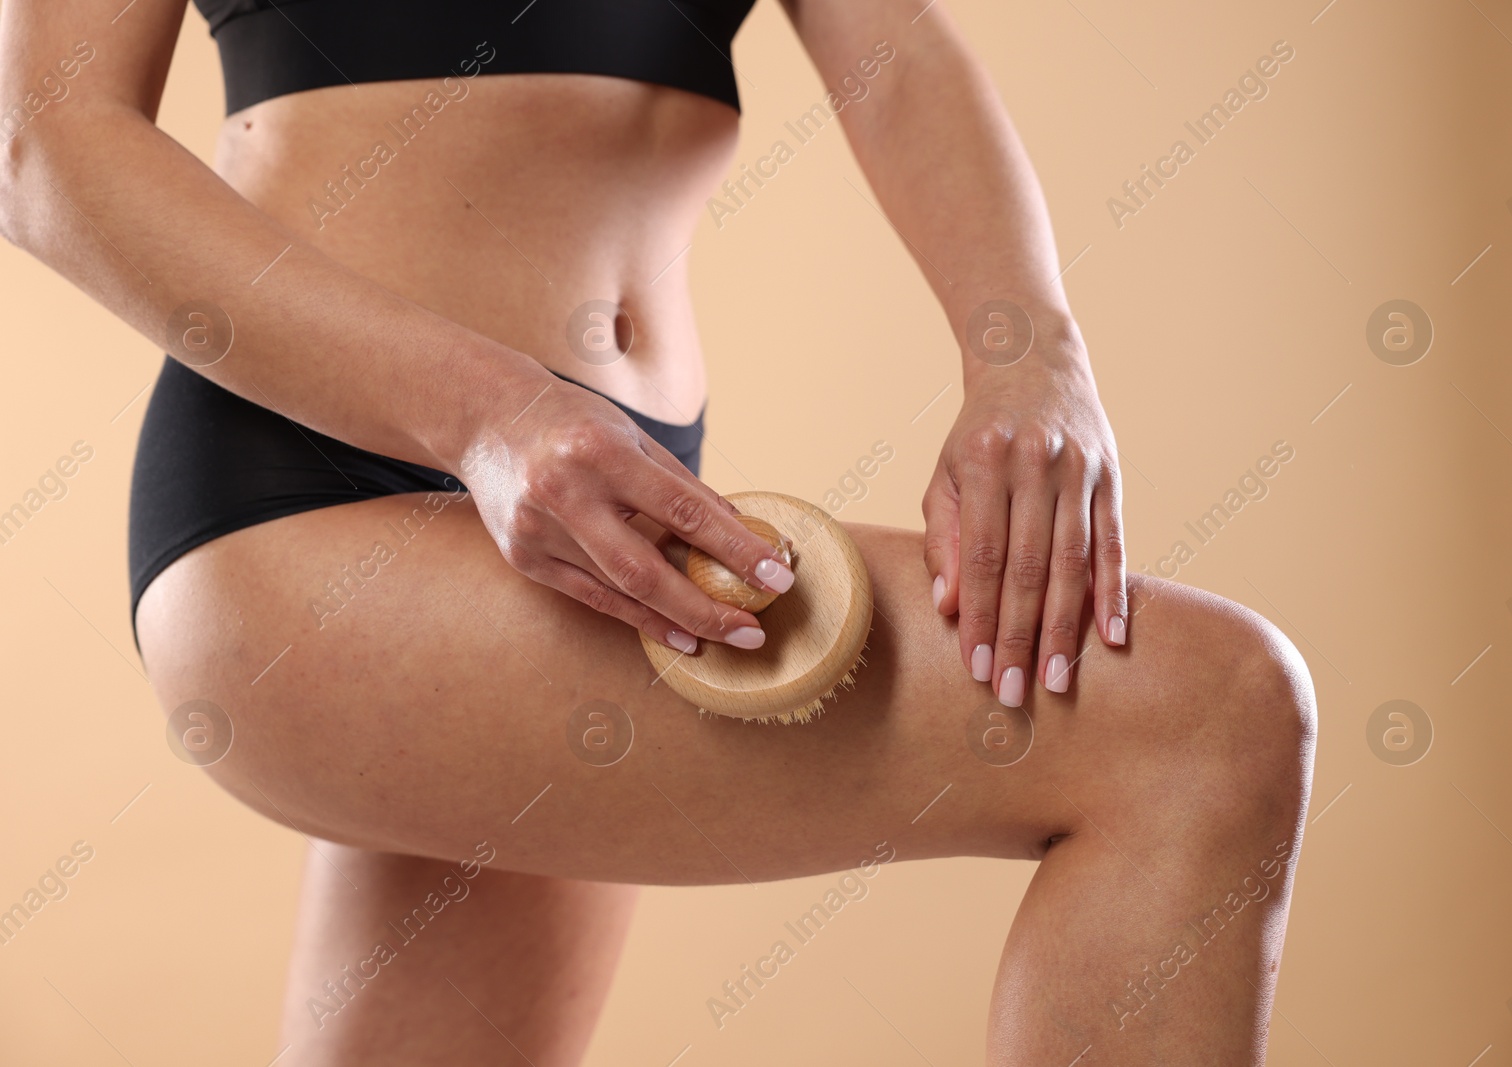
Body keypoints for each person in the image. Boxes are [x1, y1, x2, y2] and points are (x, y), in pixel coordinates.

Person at [0, 0, 1317, 1062]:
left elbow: (897, 48)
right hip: (309, 501)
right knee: (1204, 722)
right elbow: (40, 142)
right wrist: (492, 416)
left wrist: (1033, 361)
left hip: (611, 510)